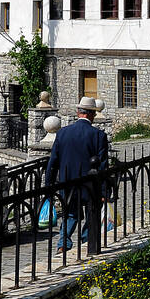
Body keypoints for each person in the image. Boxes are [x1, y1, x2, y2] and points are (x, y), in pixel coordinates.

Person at [44, 96, 110, 252]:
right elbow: (102, 165)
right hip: (90, 184)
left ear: (78, 112)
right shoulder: (98, 135)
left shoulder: (63, 133)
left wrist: (49, 185)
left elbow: (53, 162)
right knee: (91, 212)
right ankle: (87, 241)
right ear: (91, 115)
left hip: (68, 182)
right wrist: (104, 191)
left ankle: (63, 243)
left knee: (71, 214)